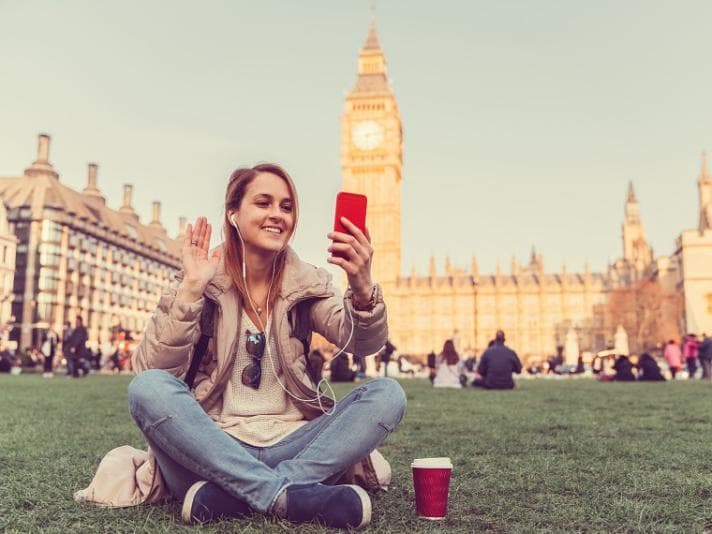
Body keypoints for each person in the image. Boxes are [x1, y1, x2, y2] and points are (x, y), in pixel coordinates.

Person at [76, 163, 406, 529]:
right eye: (263, 203)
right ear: (233, 213)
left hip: (293, 445)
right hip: (213, 447)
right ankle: (288, 496)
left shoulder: (309, 284)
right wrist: (190, 291)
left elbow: (361, 343)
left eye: (286, 206)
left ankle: (238, 497)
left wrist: (362, 288)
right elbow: (154, 369)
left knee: (388, 394)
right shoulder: (201, 277)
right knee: (146, 388)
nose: (277, 215)